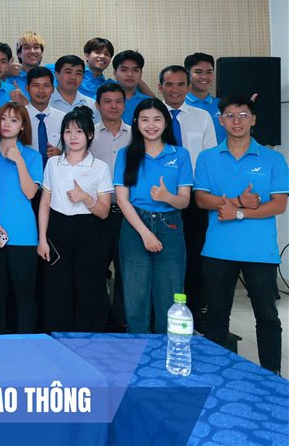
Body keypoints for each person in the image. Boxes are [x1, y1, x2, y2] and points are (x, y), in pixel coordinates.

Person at [194, 95, 287, 375]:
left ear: (254, 119)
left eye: (243, 115)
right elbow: (201, 199)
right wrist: (238, 201)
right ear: (221, 120)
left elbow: (278, 205)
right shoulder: (207, 158)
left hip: (260, 250)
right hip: (218, 249)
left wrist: (238, 213)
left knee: (267, 316)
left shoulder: (273, 159)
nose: (237, 121)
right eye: (230, 115)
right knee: (216, 315)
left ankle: (271, 375)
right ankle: (215, 375)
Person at [113, 98, 191, 334]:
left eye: (157, 119)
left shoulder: (180, 154)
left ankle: (165, 349)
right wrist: (145, 234)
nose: (151, 125)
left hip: (170, 225)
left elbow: (185, 200)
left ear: (166, 123)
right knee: (135, 296)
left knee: (169, 295)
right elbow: (122, 199)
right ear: (136, 123)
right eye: (145, 119)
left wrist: (168, 197)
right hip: (135, 226)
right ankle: (138, 349)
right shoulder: (126, 154)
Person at [37, 107, 112, 332]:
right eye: (68, 132)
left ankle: (86, 339)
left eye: (79, 131)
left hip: (89, 230)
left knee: (87, 289)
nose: (73, 137)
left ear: (90, 135)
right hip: (57, 230)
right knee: (57, 289)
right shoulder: (53, 164)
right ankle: (57, 338)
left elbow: (104, 212)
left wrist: (85, 198)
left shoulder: (100, 167)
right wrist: (42, 239)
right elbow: (44, 203)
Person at [158, 64, 217, 321]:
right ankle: (161, 311)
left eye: (181, 84)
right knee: (162, 255)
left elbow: (208, 158)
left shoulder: (201, 117)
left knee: (194, 254)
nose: (175, 90)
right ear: (160, 87)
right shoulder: (151, 115)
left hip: (192, 197)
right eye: (169, 84)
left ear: (188, 86)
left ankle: (193, 310)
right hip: (158, 196)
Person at [0, 103, 40, 334]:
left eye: (14, 120)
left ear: (23, 126)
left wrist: (19, 160)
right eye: (4, 118)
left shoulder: (32, 156)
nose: (7, 124)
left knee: (24, 294)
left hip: (24, 235)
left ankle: (25, 344)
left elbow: (30, 193)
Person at [91, 82, 132, 330]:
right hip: (96, 213)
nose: (113, 106)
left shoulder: (136, 135)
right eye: (107, 101)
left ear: (125, 105)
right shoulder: (88, 135)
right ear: (98, 105)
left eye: (118, 101)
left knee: (125, 271)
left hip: (128, 213)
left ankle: (120, 323)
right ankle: (99, 322)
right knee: (95, 270)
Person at [24, 66, 64, 167]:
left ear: (53, 89)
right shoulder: (18, 117)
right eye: (36, 85)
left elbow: (73, 151)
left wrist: (61, 155)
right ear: (27, 88)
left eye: (46, 86)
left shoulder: (63, 119)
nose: (41, 90)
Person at [183, 52, 224, 141]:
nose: (204, 76)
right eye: (198, 72)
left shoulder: (224, 105)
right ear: (187, 75)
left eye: (209, 72)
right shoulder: (178, 105)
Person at [112, 50, 150, 124]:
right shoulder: (103, 100)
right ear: (115, 73)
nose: (130, 74)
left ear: (141, 74)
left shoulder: (148, 103)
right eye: (124, 70)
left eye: (135, 70)